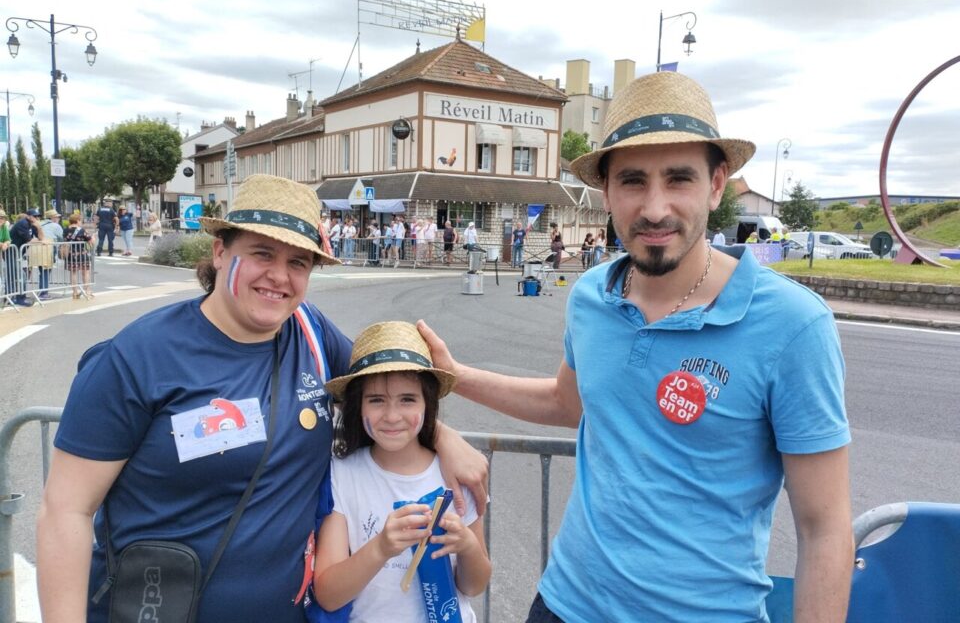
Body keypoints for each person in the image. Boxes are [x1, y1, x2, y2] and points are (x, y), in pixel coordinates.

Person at [418, 72, 852, 622]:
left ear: (717, 185)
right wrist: (455, 374)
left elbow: (825, 529)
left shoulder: (793, 326)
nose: (653, 208)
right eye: (632, 181)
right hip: (564, 604)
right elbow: (568, 403)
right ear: (606, 192)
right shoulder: (591, 297)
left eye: (678, 179)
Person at [36, 174, 488, 623]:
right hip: (152, 609)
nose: (279, 276)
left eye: (298, 262)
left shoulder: (310, 332)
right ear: (219, 252)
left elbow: (387, 391)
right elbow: (66, 511)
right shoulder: (137, 357)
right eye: (262, 253)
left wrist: (443, 435)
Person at [312, 321, 490, 622]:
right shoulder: (341, 475)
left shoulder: (455, 475)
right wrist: (381, 547)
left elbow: (474, 585)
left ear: (427, 403)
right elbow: (328, 595)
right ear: (357, 407)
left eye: (408, 399)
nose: (392, 416)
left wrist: (467, 546)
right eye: (376, 400)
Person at [9, 207, 45, 306]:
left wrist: (39, 227)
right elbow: (30, 240)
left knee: (18, 275)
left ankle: (18, 297)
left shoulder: (33, 225)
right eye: (35, 216)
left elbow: (41, 238)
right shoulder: (23, 223)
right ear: (28, 216)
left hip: (18, 253)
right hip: (10, 252)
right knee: (17, 275)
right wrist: (38, 241)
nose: (37, 218)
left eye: (38, 216)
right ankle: (16, 298)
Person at [62, 213, 94, 299]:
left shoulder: (65, 230)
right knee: (86, 272)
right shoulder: (82, 230)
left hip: (70, 254)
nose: (81, 222)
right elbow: (91, 241)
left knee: (73, 273)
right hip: (82, 254)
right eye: (81, 220)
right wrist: (93, 237)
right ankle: (87, 290)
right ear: (77, 220)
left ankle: (74, 292)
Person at [39, 210, 64, 299]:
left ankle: (42, 291)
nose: (58, 218)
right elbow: (62, 238)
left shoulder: (39, 223)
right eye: (57, 217)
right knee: (46, 271)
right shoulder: (56, 226)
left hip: (37, 248)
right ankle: (43, 293)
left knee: (42, 271)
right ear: (53, 218)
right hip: (49, 248)